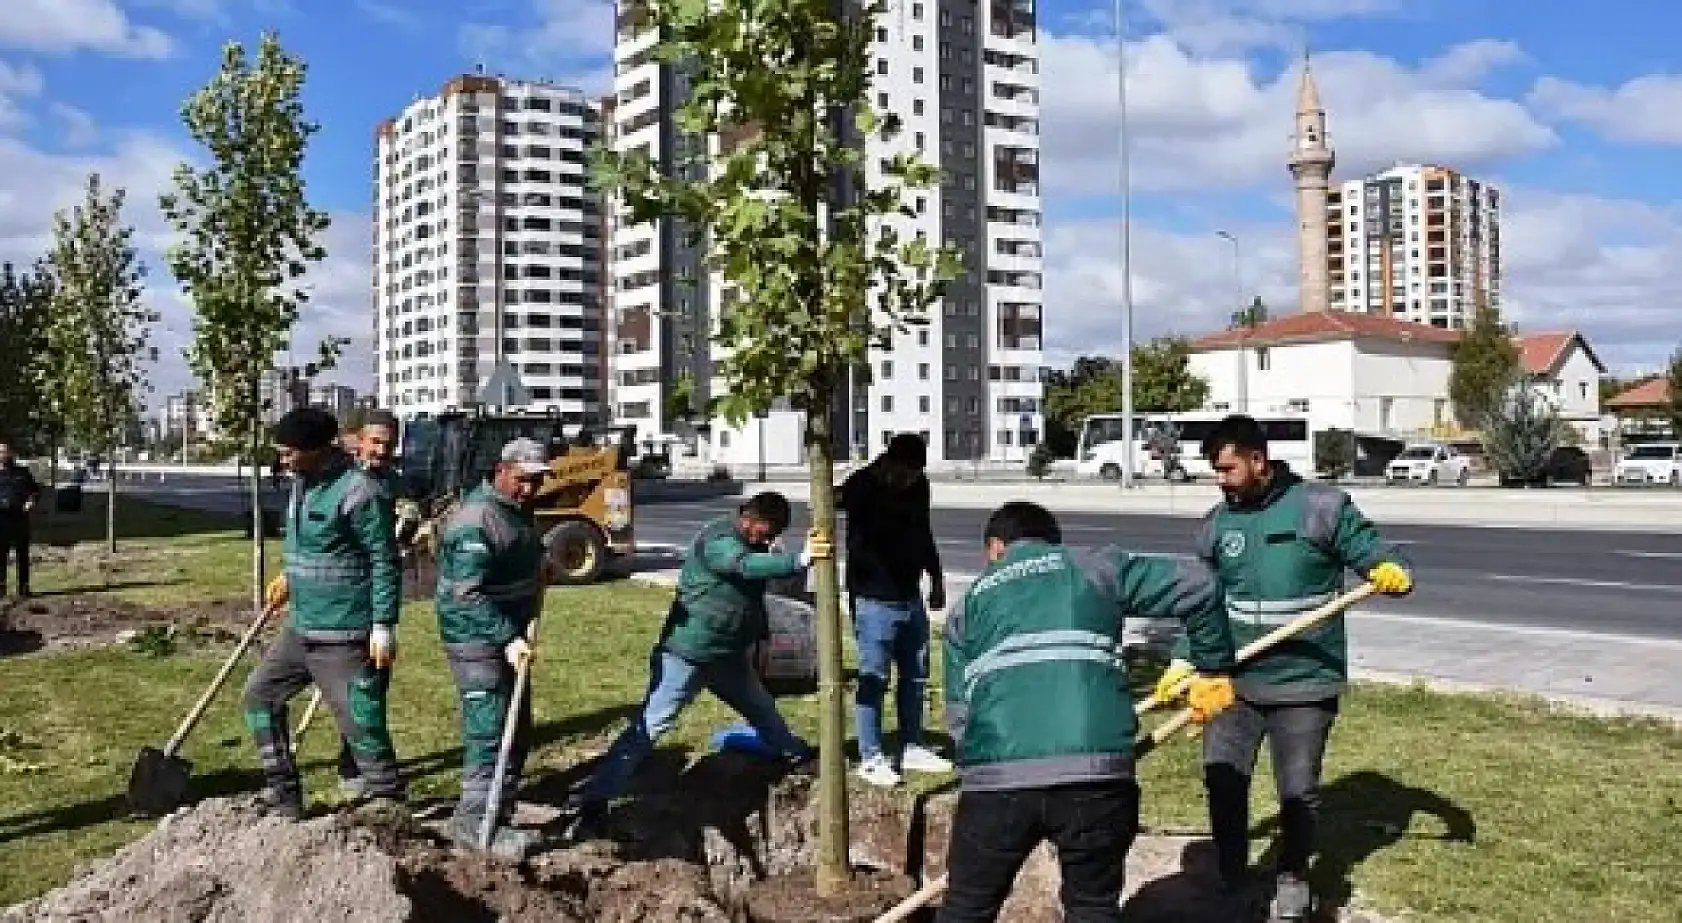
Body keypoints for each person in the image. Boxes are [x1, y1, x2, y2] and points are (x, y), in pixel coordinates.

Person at [1155, 413, 1414, 920]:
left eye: (1228, 468)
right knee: (1223, 779)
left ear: (1258, 460)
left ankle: (1293, 877)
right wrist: (1185, 659)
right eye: (1215, 470)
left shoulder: (1320, 508)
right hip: (1233, 681)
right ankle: (1231, 870)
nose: (1220, 479)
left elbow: (1374, 551)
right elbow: (1202, 603)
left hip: (1303, 683)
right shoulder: (1216, 525)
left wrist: (1390, 568)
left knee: (1297, 792)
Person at [937, 500, 1237, 922]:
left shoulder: (966, 609)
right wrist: (1213, 667)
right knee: (1092, 907)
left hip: (997, 783)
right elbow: (1199, 585)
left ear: (994, 548)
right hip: (1096, 777)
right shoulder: (1094, 567)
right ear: (1053, 544)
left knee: (965, 908)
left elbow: (959, 718)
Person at [568, 492, 825, 837]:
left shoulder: (755, 543)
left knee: (761, 708)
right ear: (748, 518)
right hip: (686, 655)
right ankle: (594, 800)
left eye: (772, 536)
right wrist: (800, 559)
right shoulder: (719, 539)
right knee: (650, 727)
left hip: (727, 656)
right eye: (764, 533)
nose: (766, 541)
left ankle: (797, 755)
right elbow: (742, 566)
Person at [244, 407, 407, 820]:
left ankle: (388, 803)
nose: (282, 460)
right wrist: (289, 575)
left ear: (317, 450)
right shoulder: (303, 484)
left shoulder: (360, 492)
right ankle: (284, 796)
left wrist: (383, 625)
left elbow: (384, 561)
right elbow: (319, 547)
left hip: (344, 632)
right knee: (259, 697)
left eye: (289, 452)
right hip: (301, 627)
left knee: (360, 721)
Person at [434, 437, 552, 858]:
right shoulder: (476, 521)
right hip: (476, 637)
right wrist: (508, 638)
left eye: (536, 483)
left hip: (508, 634)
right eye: (522, 480)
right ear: (501, 471)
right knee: (489, 728)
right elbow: (466, 594)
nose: (529, 490)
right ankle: (472, 825)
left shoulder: (515, 511)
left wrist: (540, 566)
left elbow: (517, 553)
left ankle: (498, 814)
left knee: (517, 727)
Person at [839, 432, 950, 787]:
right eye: (904, 472)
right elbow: (831, 503)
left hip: (909, 594)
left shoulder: (919, 487)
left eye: (915, 473)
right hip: (872, 598)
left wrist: (936, 578)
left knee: (916, 675)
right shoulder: (862, 486)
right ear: (888, 462)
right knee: (874, 678)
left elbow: (924, 531)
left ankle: (911, 744)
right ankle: (870, 755)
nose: (908, 480)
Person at [325, 407, 404, 800]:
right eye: (375, 442)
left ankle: (352, 762)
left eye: (388, 445)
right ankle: (354, 768)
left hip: (376, 598)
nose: (381, 451)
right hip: (344, 604)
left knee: (372, 689)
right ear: (359, 441)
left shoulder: (389, 483)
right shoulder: (342, 482)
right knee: (356, 691)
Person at [0, 440, 42, 600]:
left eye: (5, 451)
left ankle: (24, 588)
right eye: (1, 452)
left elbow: (35, 491)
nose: (3, 455)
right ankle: (1, 589)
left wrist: (32, 501)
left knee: (22, 555)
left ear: (11, 453)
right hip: (1, 520)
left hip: (20, 518)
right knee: (0, 556)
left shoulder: (22, 472)